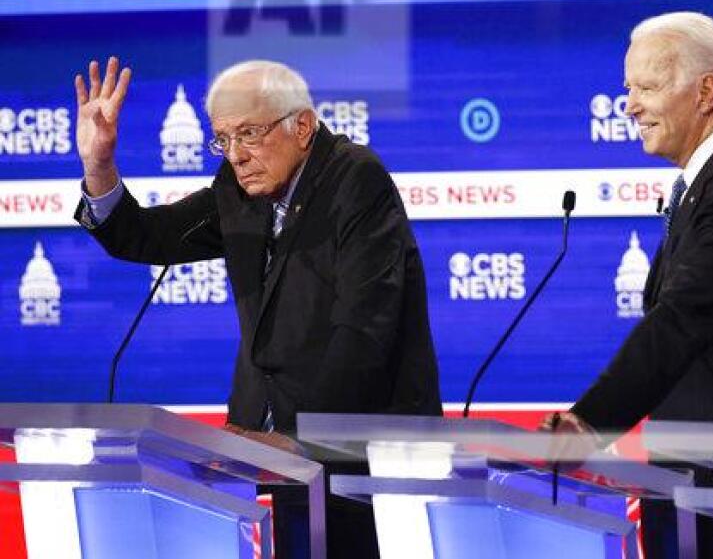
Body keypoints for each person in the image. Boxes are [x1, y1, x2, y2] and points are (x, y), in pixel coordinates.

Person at [74, 57, 442, 558]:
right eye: (223, 139)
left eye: (248, 133)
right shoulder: (239, 186)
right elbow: (149, 236)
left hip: (364, 459)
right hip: (273, 461)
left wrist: (298, 440)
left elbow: (364, 329)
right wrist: (99, 168)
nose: (236, 155)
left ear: (303, 126)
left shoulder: (356, 180)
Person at [542, 12, 713, 557]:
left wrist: (590, 422)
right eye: (628, 89)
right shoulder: (710, 182)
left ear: (705, 91)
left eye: (647, 87)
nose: (630, 105)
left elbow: (679, 321)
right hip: (705, 481)